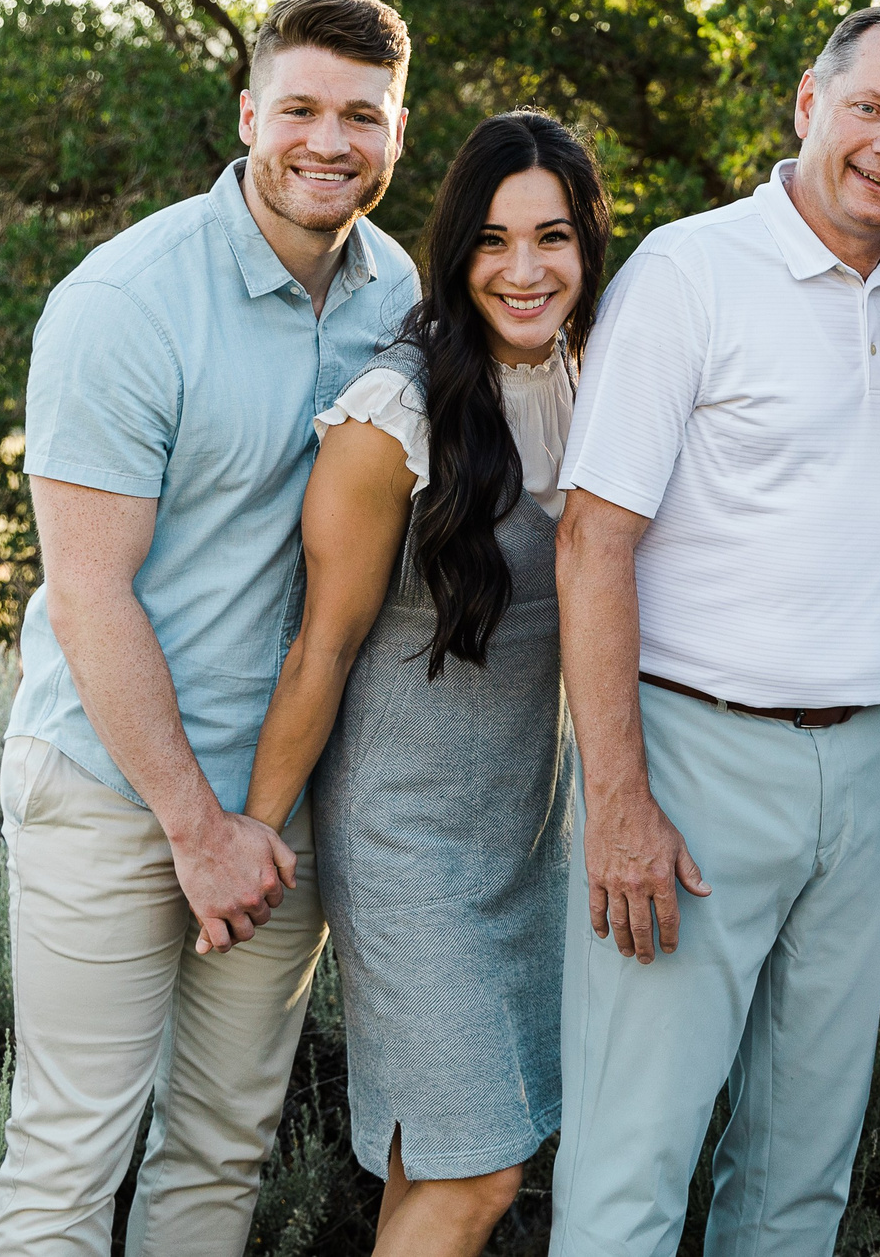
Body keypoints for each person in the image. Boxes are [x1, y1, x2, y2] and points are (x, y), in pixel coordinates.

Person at [0, 0, 418, 1256]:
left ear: (398, 129)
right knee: (72, 1153)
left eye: (362, 116)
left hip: (278, 806)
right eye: (299, 109)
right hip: (113, 793)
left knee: (222, 1146)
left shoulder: (400, 293)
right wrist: (193, 824)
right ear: (248, 115)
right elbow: (90, 591)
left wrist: (254, 823)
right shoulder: (126, 300)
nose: (328, 142)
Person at [546, 6, 880, 1257]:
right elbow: (590, 541)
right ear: (806, 105)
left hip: (872, 761)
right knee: (635, 1161)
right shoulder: (691, 272)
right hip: (690, 757)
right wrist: (617, 799)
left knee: (800, 1172)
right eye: (871, 110)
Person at [234, 112, 606, 1256]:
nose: (525, 270)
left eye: (552, 238)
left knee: (432, 1161)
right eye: (494, 242)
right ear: (455, 252)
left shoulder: (603, 385)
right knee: (479, 1168)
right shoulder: (392, 413)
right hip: (405, 840)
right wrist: (252, 835)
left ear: (591, 246)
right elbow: (322, 648)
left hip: (526, 834)